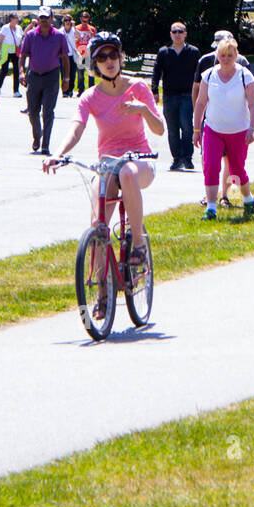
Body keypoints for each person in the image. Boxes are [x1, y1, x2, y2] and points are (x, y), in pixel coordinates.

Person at [43, 32, 163, 310]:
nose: (109, 61)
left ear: (120, 58)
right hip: (108, 163)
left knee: (128, 173)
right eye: (102, 58)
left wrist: (143, 110)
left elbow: (159, 129)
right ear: (94, 65)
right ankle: (102, 294)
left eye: (113, 55)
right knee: (97, 227)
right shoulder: (90, 97)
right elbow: (76, 128)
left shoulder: (138, 88)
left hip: (140, 160)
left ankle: (139, 244)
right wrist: (58, 154)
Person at [193, 35, 254, 221]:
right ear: (217, 55)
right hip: (213, 129)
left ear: (236, 55)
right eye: (222, 55)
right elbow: (200, 103)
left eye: (230, 55)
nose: (226, 59)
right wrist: (196, 130)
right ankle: (212, 207)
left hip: (238, 131)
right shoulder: (209, 75)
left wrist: (252, 128)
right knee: (210, 166)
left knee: (237, 170)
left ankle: (248, 199)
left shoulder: (244, 75)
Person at [19, 6, 70, 155]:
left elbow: (65, 58)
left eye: (46, 17)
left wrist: (66, 79)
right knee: (33, 111)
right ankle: (37, 135)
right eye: (41, 18)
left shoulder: (59, 36)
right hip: (34, 76)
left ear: (52, 18)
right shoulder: (31, 35)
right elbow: (23, 56)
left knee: (48, 112)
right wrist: (21, 72)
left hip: (51, 77)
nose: (44, 20)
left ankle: (45, 144)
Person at [151, 21, 200, 170]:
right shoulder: (164, 52)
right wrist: (154, 91)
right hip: (169, 96)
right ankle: (176, 158)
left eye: (180, 31)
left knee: (186, 126)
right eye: (174, 32)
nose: (177, 34)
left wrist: (200, 93)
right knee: (172, 129)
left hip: (187, 95)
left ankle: (187, 157)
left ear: (185, 33)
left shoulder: (193, 52)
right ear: (170, 34)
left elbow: (199, 75)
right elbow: (156, 73)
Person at [0, 12, 23, 97]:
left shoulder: (19, 28)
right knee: (4, 70)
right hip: (6, 50)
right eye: (16, 18)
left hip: (15, 50)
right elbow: (0, 41)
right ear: (11, 19)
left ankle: (16, 91)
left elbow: (21, 39)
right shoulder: (5, 28)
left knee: (16, 71)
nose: (17, 19)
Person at [73, 11, 97, 94]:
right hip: (80, 53)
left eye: (86, 21)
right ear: (80, 19)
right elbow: (73, 40)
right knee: (80, 74)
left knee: (90, 73)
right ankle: (81, 90)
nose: (84, 23)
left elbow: (95, 42)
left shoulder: (92, 29)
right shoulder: (76, 28)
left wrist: (92, 36)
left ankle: (91, 91)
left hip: (88, 53)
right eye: (83, 21)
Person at [60, 14, 79, 97]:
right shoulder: (60, 31)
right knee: (63, 73)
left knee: (72, 73)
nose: (67, 22)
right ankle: (64, 91)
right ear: (63, 22)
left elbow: (79, 36)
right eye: (66, 20)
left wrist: (74, 26)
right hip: (63, 55)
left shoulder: (74, 31)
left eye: (69, 20)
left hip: (72, 55)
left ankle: (70, 90)